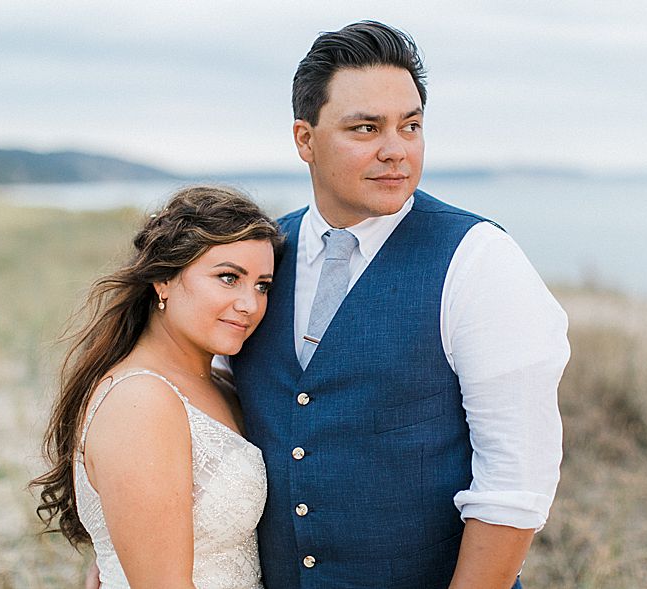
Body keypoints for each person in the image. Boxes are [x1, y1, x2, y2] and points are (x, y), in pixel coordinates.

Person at [228, 21, 570, 588]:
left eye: (410, 126)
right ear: (305, 140)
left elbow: (514, 484)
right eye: (366, 128)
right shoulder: (259, 256)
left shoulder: (478, 259)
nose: (395, 151)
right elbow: (189, 406)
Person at [32, 186, 283, 588]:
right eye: (228, 278)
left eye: (262, 285)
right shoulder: (139, 402)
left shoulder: (219, 381)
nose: (249, 305)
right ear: (163, 280)